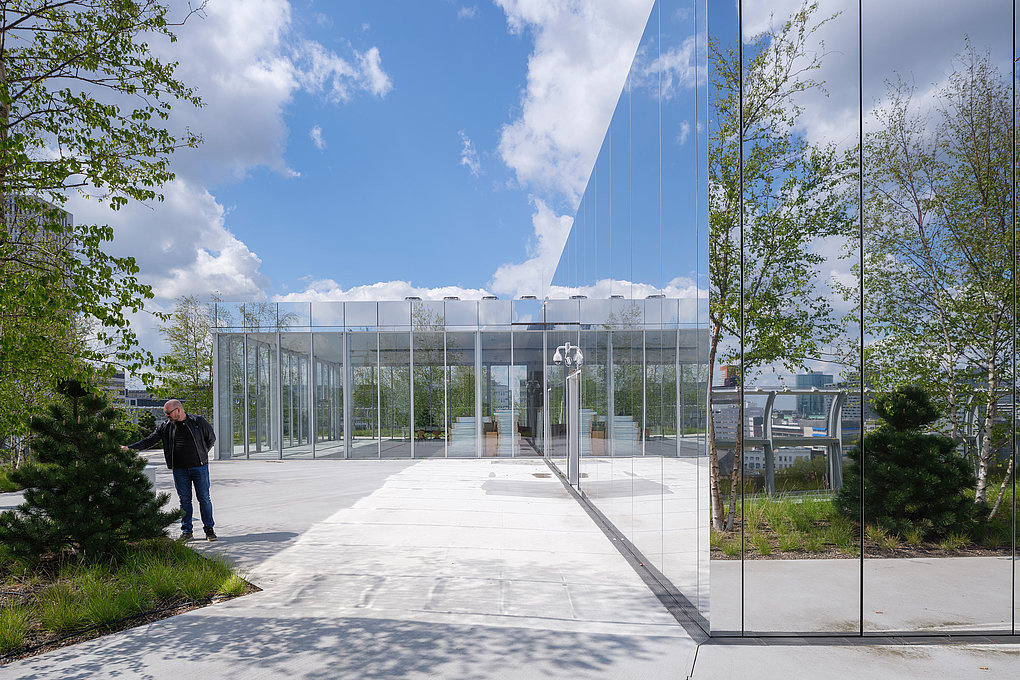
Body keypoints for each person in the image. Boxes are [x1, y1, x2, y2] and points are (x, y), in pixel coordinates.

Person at [126, 399, 217, 542]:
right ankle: (187, 531)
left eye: (168, 413)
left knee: (204, 498)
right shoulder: (165, 426)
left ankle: (209, 530)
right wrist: (129, 448)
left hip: (199, 467)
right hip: (179, 470)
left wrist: (202, 454)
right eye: (165, 413)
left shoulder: (197, 422)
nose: (166, 416)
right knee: (184, 501)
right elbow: (149, 441)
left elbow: (211, 438)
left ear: (178, 410)